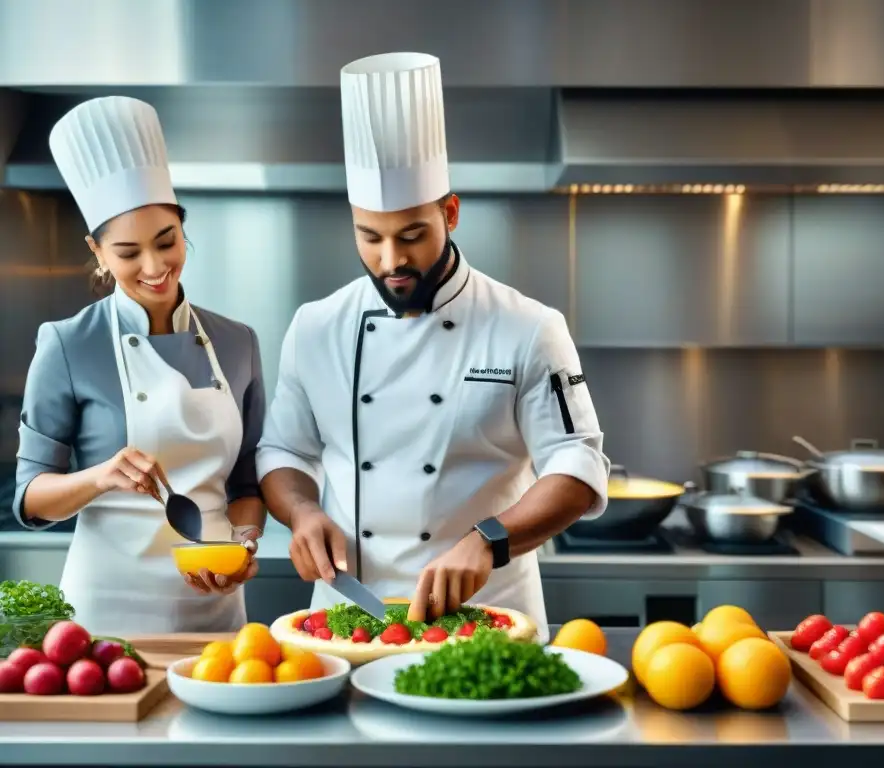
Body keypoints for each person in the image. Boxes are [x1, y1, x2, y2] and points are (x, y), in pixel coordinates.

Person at [257, 52, 609, 640]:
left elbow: (578, 465)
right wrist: (302, 512)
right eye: (369, 237)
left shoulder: (528, 326)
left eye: (412, 235)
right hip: (349, 623)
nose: (391, 260)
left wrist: (489, 539)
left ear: (450, 213)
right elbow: (282, 454)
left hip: (488, 625)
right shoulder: (316, 326)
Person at [13, 96, 267, 635]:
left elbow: (247, 481)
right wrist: (103, 476)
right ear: (97, 252)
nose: (155, 268)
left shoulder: (238, 342)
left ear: (181, 226)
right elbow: (30, 498)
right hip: (104, 614)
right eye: (128, 253)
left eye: (167, 242)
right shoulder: (66, 344)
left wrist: (243, 544)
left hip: (213, 611)